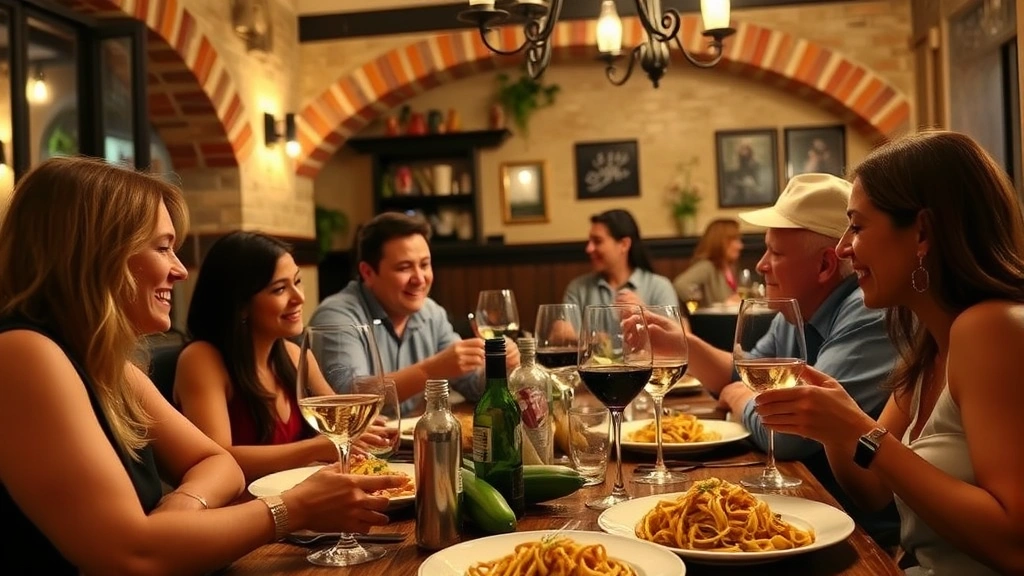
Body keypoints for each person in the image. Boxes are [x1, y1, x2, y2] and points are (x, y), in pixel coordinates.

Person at [0, 157, 404, 574]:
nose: (178, 269)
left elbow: (219, 463)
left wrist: (181, 505)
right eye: (162, 247)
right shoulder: (23, 353)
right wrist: (291, 510)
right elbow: (131, 554)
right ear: (96, 253)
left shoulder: (106, 364)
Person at [754, 131, 1024, 575]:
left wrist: (861, 430)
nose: (842, 247)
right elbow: (872, 489)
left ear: (921, 232)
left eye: (857, 227)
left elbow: (1015, 543)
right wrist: (836, 427)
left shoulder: (990, 328)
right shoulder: (930, 343)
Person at [678, 172, 900, 544]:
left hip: (861, 536)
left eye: (776, 253)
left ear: (826, 266)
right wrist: (685, 345)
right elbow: (745, 370)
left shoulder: (867, 311)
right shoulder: (795, 311)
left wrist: (737, 396)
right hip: (809, 512)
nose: (762, 265)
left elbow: (789, 433)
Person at [309, 211, 519, 415]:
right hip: (358, 447)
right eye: (404, 267)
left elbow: (472, 385)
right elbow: (347, 398)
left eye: (425, 265)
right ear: (368, 273)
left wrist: (500, 367)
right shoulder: (336, 316)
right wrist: (430, 370)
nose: (420, 278)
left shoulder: (431, 313)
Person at [174, 231, 341, 482]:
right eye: (280, 289)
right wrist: (314, 448)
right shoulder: (202, 359)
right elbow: (217, 458)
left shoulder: (294, 355)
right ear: (240, 303)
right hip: (239, 512)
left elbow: (341, 423)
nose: (299, 298)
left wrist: (370, 432)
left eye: (297, 281)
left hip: (303, 503)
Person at [563, 209, 677, 310]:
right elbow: (567, 332)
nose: (589, 249)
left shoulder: (659, 287)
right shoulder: (578, 289)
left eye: (597, 241)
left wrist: (645, 315)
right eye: (589, 242)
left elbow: (673, 333)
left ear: (624, 244)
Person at [672, 218, 744, 307]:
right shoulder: (706, 266)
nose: (740, 246)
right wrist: (703, 304)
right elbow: (680, 285)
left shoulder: (729, 267)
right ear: (720, 241)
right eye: (735, 240)